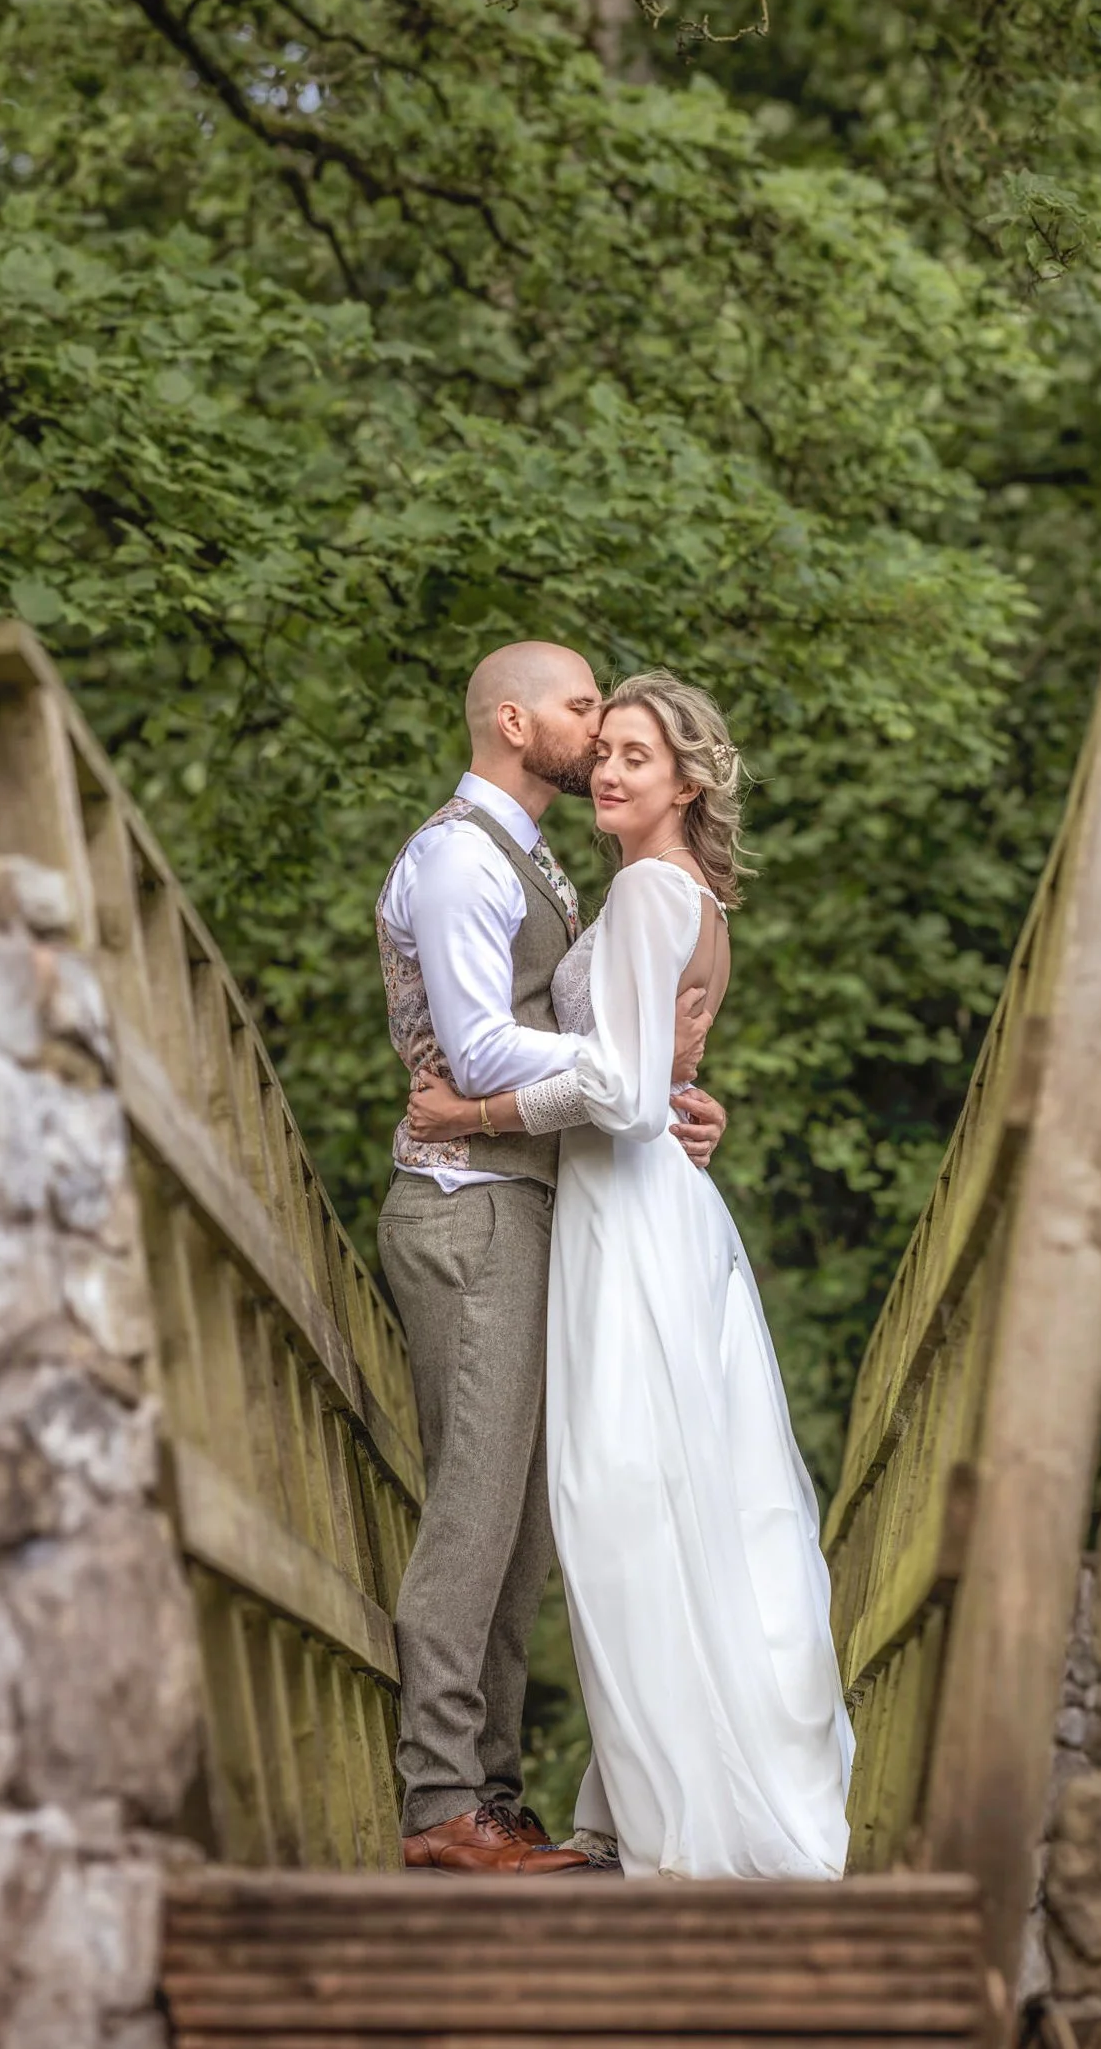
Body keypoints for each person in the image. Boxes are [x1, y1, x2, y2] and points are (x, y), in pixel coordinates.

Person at [408, 670, 852, 1881]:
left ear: (688, 781)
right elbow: (644, 1077)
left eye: (637, 757)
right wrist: (663, 1100)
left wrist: (472, 1105)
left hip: (630, 1216)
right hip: (627, 1198)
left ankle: (671, 1808)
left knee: (627, 1503)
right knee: (641, 1503)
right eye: (601, 750)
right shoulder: (659, 890)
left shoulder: (656, 890)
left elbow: (618, 1085)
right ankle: (641, 1799)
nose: (608, 770)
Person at [376, 641, 725, 1876]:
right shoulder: (462, 858)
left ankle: (494, 1793)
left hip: (526, 1200)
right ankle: (437, 1801)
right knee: (475, 1507)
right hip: (467, 1204)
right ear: (516, 723)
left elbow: (609, 1039)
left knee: (521, 1522)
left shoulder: (532, 861)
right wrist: (621, 1080)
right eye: (584, 710)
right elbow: (474, 1051)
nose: (596, 729)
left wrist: (661, 1089)